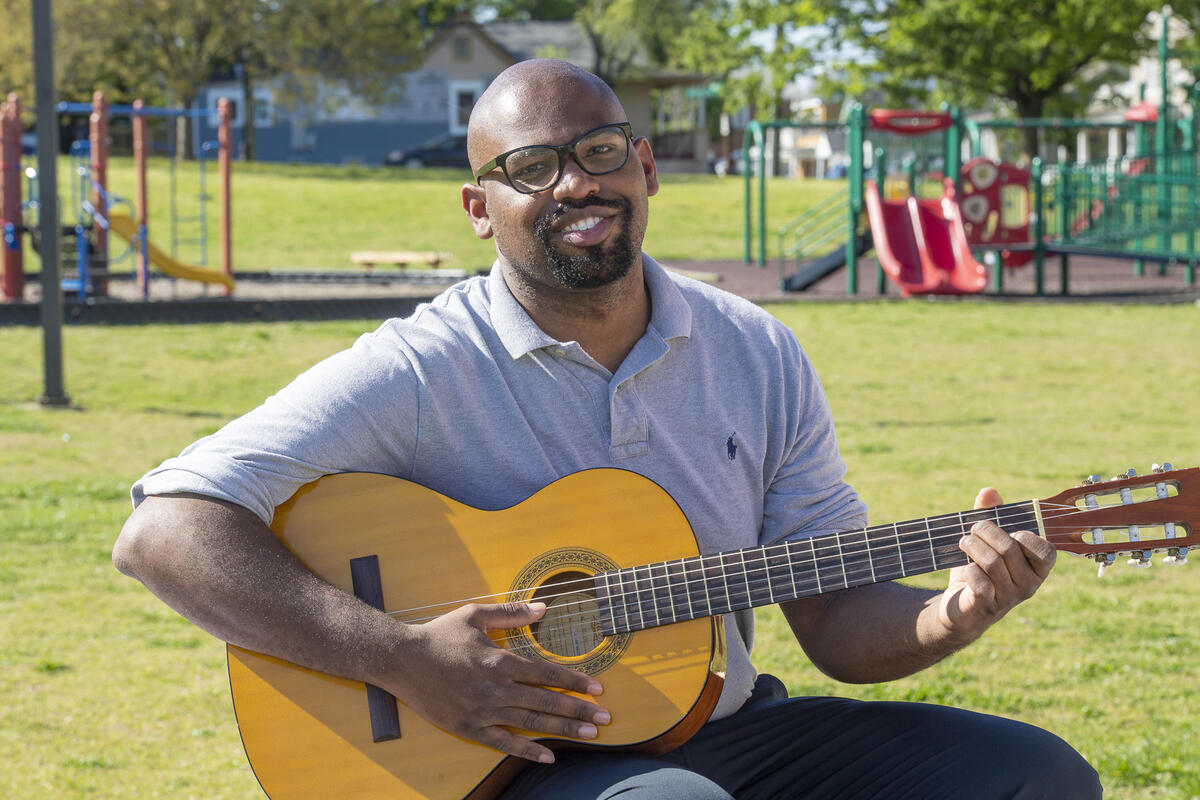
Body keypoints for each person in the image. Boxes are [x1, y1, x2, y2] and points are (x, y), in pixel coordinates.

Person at [114, 59, 1101, 799]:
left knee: (1038, 775)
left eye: (597, 152)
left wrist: (953, 612)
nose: (574, 185)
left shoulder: (756, 352)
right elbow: (164, 530)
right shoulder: (417, 368)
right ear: (477, 206)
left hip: (729, 728)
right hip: (517, 760)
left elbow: (837, 620)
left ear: (643, 168)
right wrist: (399, 655)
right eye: (530, 167)